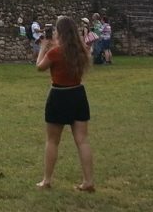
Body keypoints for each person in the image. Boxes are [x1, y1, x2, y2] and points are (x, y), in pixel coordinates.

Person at [35, 15, 95, 192]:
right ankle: (88, 181)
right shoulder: (81, 50)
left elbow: (40, 67)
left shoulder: (55, 52)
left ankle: (47, 180)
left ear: (59, 32)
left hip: (59, 96)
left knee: (52, 141)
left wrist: (43, 48)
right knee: (82, 140)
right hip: (77, 94)